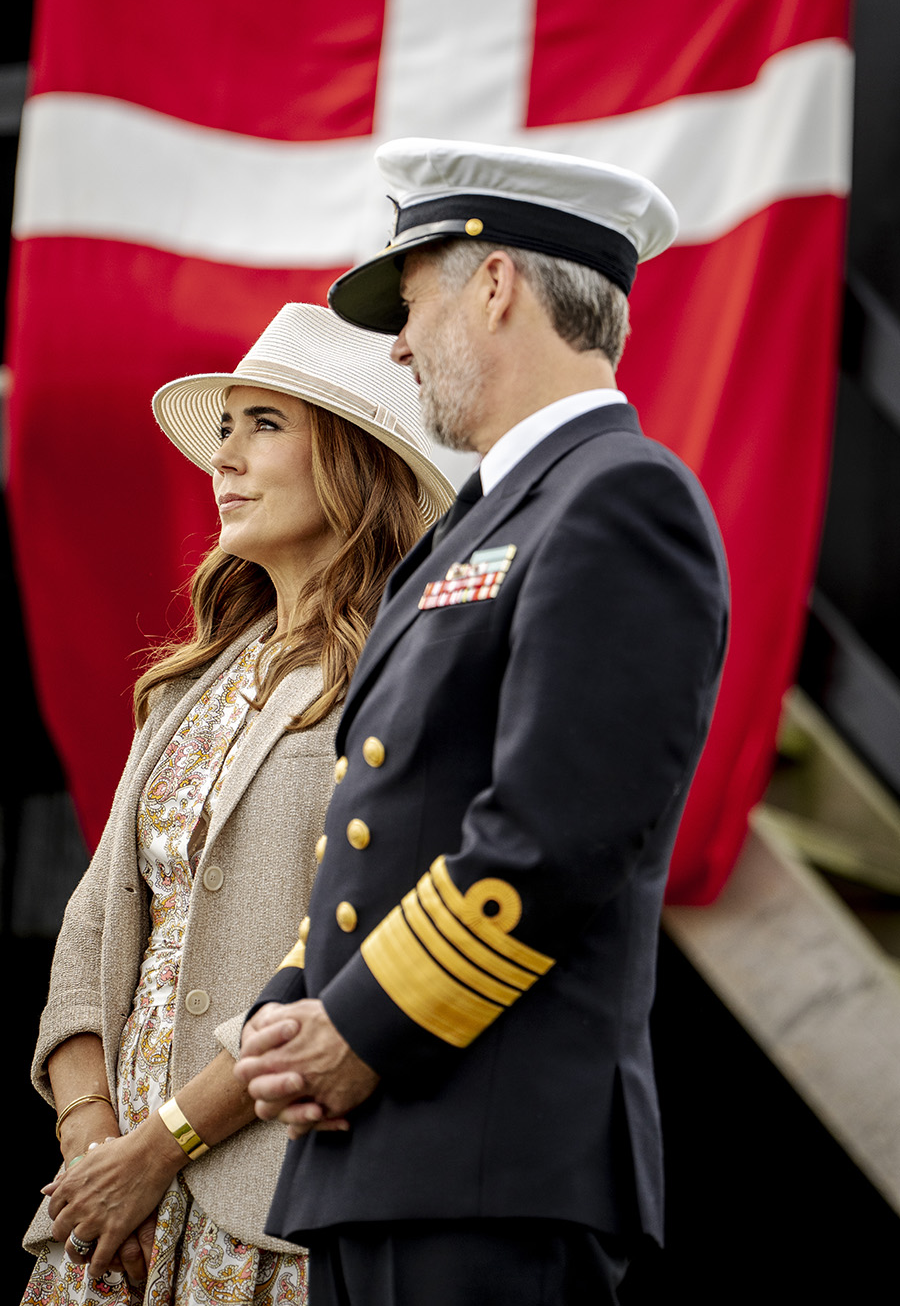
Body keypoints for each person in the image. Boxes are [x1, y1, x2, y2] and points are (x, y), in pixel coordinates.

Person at [236, 139, 731, 1305]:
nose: (398, 345)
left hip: (493, 1161)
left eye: (409, 305)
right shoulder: (478, 528)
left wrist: (352, 1029)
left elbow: (552, 836)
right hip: (382, 1160)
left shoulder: (619, 495)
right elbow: (392, 823)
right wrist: (289, 1013)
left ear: (496, 284)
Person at [22, 301, 454, 1306]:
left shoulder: (408, 676)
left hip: (268, 1201)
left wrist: (159, 1150)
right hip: (107, 1212)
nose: (226, 458)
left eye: (265, 425)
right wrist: (92, 1141)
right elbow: (91, 929)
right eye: (226, 428)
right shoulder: (184, 687)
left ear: (353, 459)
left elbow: (352, 955)